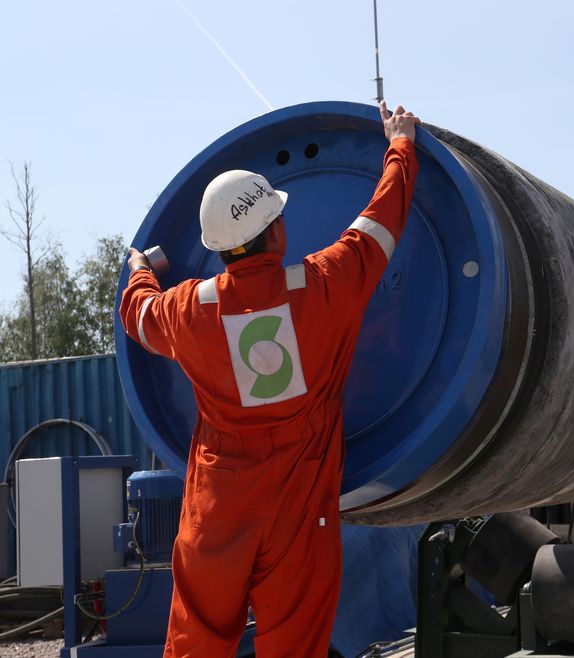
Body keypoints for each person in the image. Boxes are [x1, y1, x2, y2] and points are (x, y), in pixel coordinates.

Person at [119, 101, 420, 658]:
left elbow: (136, 314)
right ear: (276, 228)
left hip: (219, 505)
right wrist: (399, 146)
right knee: (294, 644)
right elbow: (379, 225)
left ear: (219, 248)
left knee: (196, 646)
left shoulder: (189, 310)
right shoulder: (325, 284)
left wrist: (140, 269)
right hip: (298, 503)